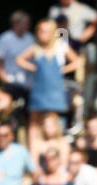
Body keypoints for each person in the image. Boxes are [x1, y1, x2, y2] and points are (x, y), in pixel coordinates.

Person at [17, 19, 80, 158]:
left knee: (54, 122)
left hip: (55, 91)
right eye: (40, 31)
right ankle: (33, 153)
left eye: (45, 31)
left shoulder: (60, 47)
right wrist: (32, 67)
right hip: (39, 90)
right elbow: (20, 59)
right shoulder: (36, 48)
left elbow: (77, 61)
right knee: (34, 122)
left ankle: (56, 153)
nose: (42, 34)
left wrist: (63, 70)